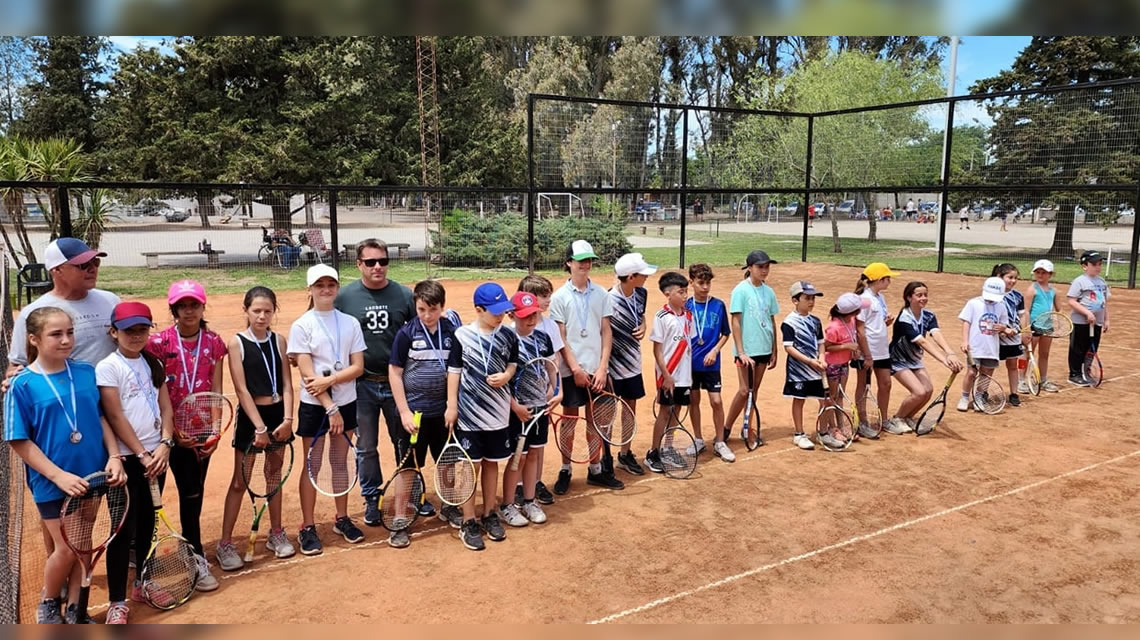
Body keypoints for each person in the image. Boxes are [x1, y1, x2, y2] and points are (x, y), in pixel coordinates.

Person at [4, 307, 125, 624]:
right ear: (34, 339)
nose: (66, 339)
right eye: (56, 334)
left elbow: (100, 419)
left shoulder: (85, 372)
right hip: (52, 481)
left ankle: (75, 607)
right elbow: (19, 441)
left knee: (83, 544)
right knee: (65, 548)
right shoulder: (21, 385)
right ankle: (47, 601)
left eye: (69, 332)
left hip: (92, 474)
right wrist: (59, 476)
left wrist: (113, 455)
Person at [144, 280, 226, 591]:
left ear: (203, 307)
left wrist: (214, 429)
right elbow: (152, 391)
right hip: (164, 436)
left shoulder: (215, 343)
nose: (188, 310)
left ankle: (195, 556)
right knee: (153, 501)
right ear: (173, 310)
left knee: (192, 498)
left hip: (200, 436)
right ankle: (146, 561)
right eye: (182, 306)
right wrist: (172, 433)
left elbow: (216, 389)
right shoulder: (158, 344)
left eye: (194, 305)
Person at [98, 302, 176, 625]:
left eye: (142, 329)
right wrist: (142, 454)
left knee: (148, 523)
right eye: (129, 330)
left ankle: (143, 583)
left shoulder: (152, 362)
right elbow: (114, 415)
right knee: (121, 530)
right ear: (114, 332)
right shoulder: (108, 367)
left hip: (156, 457)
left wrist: (165, 444)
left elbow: (166, 409)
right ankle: (117, 599)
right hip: (129, 461)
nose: (136, 335)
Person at [334, 239, 416, 526]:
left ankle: (410, 494)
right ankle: (372, 497)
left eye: (382, 261)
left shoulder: (404, 296)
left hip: (398, 382)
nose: (377, 267)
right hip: (362, 384)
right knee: (366, 446)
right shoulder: (344, 298)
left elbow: (419, 333)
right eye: (370, 262)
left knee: (404, 441)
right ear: (359, 264)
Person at [289, 265, 367, 555]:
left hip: (346, 401)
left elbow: (357, 367)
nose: (325, 290)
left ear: (337, 288)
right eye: (319, 285)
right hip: (315, 406)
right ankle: (307, 526)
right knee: (313, 463)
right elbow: (308, 376)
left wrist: (333, 382)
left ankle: (342, 518)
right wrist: (330, 406)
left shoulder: (349, 323)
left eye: (330, 284)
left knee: (339, 461)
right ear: (309, 290)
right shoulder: (302, 325)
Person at [216, 287, 295, 571]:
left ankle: (276, 533)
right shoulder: (236, 343)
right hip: (252, 418)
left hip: (278, 416)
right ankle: (225, 543)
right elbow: (241, 388)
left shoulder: (280, 341)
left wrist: (287, 420)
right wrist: (259, 427)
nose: (262, 316)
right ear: (246, 310)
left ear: (274, 311)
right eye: (256, 311)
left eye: (268, 311)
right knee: (240, 481)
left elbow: (287, 383)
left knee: (274, 475)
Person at [445, 282, 519, 550]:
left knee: (491, 464)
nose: (501, 316)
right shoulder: (462, 336)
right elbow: (454, 371)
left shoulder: (509, 335)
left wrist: (508, 375)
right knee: (469, 467)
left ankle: (489, 513)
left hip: (498, 415)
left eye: (503, 311)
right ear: (479, 309)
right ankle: (468, 520)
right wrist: (451, 405)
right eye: (495, 311)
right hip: (469, 416)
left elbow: (513, 362)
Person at [387, 280, 461, 545]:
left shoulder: (451, 332)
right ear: (415, 306)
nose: (427, 315)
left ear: (442, 306)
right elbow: (395, 373)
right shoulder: (407, 334)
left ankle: (449, 506)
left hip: (442, 414)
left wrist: (452, 406)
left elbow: (455, 370)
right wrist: (404, 412)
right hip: (413, 417)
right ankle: (400, 518)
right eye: (421, 309)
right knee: (408, 468)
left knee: (447, 462)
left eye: (433, 309)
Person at [548, 240, 623, 494]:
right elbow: (561, 337)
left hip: (597, 369)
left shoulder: (602, 294)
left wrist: (602, 368)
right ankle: (566, 468)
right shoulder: (559, 297)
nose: (586, 264)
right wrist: (576, 369)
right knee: (569, 421)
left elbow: (606, 331)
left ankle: (595, 469)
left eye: (589, 259)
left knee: (596, 422)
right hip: (572, 372)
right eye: (581, 260)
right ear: (569, 262)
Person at [8, 238, 119, 375]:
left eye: (96, 262)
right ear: (57, 270)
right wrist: (12, 376)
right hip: (67, 393)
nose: (93, 269)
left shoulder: (111, 300)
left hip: (113, 392)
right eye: (83, 265)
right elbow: (17, 364)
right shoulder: (34, 312)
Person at [502, 291, 561, 526]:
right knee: (519, 456)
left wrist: (553, 390)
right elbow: (501, 381)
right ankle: (507, 504)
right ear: (512, 315)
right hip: (517, 410)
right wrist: (515, 406)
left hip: (539, 408)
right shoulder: (506, 340)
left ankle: (529, 500)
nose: (531, 319)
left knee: (534, 453)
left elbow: (551, 367)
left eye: (534, 314)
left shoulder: (543, 338)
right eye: (525, 315)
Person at [723, 250, 779, 449]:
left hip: (764, 347)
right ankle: (726, 427)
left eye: (766, 267)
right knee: (744, 390)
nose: (764, 270)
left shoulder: (769, 292)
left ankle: (748, 428)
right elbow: (735, 322)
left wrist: (774, 349)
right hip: (746, 350)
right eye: (760, 267)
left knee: (753, 391)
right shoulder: (740, 290)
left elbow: (772, 320)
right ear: (749, 268)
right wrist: (741, 351)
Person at [888, 282, 963, 428]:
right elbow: (922, 342)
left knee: (928, 391)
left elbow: (936, 334)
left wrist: (950, 353)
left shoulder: (928, 315)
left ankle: (908, 417)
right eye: (919, 295)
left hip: (914, 359)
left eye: (925, 295)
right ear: (909, 297)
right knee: (919, 392)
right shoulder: (904, 318)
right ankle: (897, 418)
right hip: (897, 360)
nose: (923, 298)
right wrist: (945, 361)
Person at [607, 253, 656, 476]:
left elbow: (641, 315)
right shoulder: (607, 299)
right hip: (610, 366)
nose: (646, 277)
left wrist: (644, 325)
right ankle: (604, 456)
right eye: (642, 274)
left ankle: (624, 453)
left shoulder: (641, 293)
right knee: (607, 413)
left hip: (633, 364)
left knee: (630, 408)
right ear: (630, 276)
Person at [645, 272, 695, 472]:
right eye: (680, 292)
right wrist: (666, 375)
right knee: (665, 411)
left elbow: (688, 345)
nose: (685, 296)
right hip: (668, 375)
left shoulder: (688, 316)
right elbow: (657, 350)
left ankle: (668, 448)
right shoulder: (662, 317)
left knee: (678, 410)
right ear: (667, 294)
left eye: (686, 292)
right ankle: (653, 452)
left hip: (685, 376)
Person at [685, 263, 734, 462]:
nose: (705, 287)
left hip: (711, 364)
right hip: (690, 364)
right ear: (691, 282)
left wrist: (715, 350)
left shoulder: (718, 305)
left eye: (708, 283)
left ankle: (720, 441)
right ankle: (698, 439)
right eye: (701, 283)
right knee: (693, 400)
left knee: (716, 401)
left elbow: (726, 333)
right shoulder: (686, 305)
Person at [781, 282, 828, 451]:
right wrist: (809, 361)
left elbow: (821, 343)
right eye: (807, 298)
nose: (811, 302)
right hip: (798, 371)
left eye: (813, 298)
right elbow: (789, 347)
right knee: (799, 400)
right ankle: (799, 434)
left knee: (824, 400)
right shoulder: (789, 322)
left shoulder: (816, 321)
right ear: (795, 300)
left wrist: (821, 358)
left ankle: (824, 432)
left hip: (816, 369)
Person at [853, 263, 899, 436]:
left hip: (882, 349)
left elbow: (874, 322)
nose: (890, 282)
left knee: (886, 384)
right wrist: (866, 354)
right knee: (864, 386)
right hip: (867, 351)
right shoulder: (863, 300)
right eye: (888, 278)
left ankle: (883, 419)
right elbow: (859, 329)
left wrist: (886, 322)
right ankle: (862, 422)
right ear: (880, 280)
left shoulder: (880, 298)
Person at [957, 277, 1016, 411]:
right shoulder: (973, 303)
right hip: (975, 346)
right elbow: (966, 322)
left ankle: (979, 397)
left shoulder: (1001, 306)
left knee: (986, 374)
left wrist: (1004, 330)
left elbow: (1003, 327)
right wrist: (965, 341)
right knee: (971, 372)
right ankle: (965, 397)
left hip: (991, 348)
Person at [1067, 251, 1110, 386]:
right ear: (1085, 266)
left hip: (1096, 322)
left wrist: (1106, 319)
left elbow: (1103, 302)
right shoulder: (1079, 281)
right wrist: (1086, 313)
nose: (1098, 267)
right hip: (1081, 322)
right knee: (1078, 348)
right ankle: (1075, 374)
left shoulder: (1101, 282)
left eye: (1100, 264)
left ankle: (1086, 371)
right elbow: (1071, 301)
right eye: (1094, 264)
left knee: (1092, 349)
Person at [823, 293, 866, 428]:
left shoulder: (851, 321)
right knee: (832, 397)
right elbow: (826, 347)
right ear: (852, 312)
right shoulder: (834, 327)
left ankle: (841, 426)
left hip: (844, 364)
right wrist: (847, 346)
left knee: (840, 396)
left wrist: (853, 350)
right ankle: (832, 427)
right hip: (832, 366)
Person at [990, 264, 1027, 407]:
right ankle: (983, 392)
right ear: (999, 277)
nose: (1013, 281)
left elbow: (1022, 315)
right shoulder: (991, 294)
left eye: (1015, 278)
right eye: (1009, 277)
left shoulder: (1017, 296)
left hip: (1013, 336)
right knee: (990, 365)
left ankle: (1014, 393)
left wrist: (1024, 331)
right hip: (995, 337)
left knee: (1012, 365)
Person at [1022, 259, 1061, 393]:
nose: (1040, 275)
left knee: (1044, 354)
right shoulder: (1032, 290)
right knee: (1027, 353)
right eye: (1037, 272)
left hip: (1047, 326)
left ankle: (1043, 380)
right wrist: (1026, 328)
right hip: (1034, 325)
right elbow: (1025, 310)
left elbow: (1059, 310)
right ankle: (1021, 380)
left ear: (1050, 274)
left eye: (1043, 272)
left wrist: (1060, 323)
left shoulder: (1054, 291)